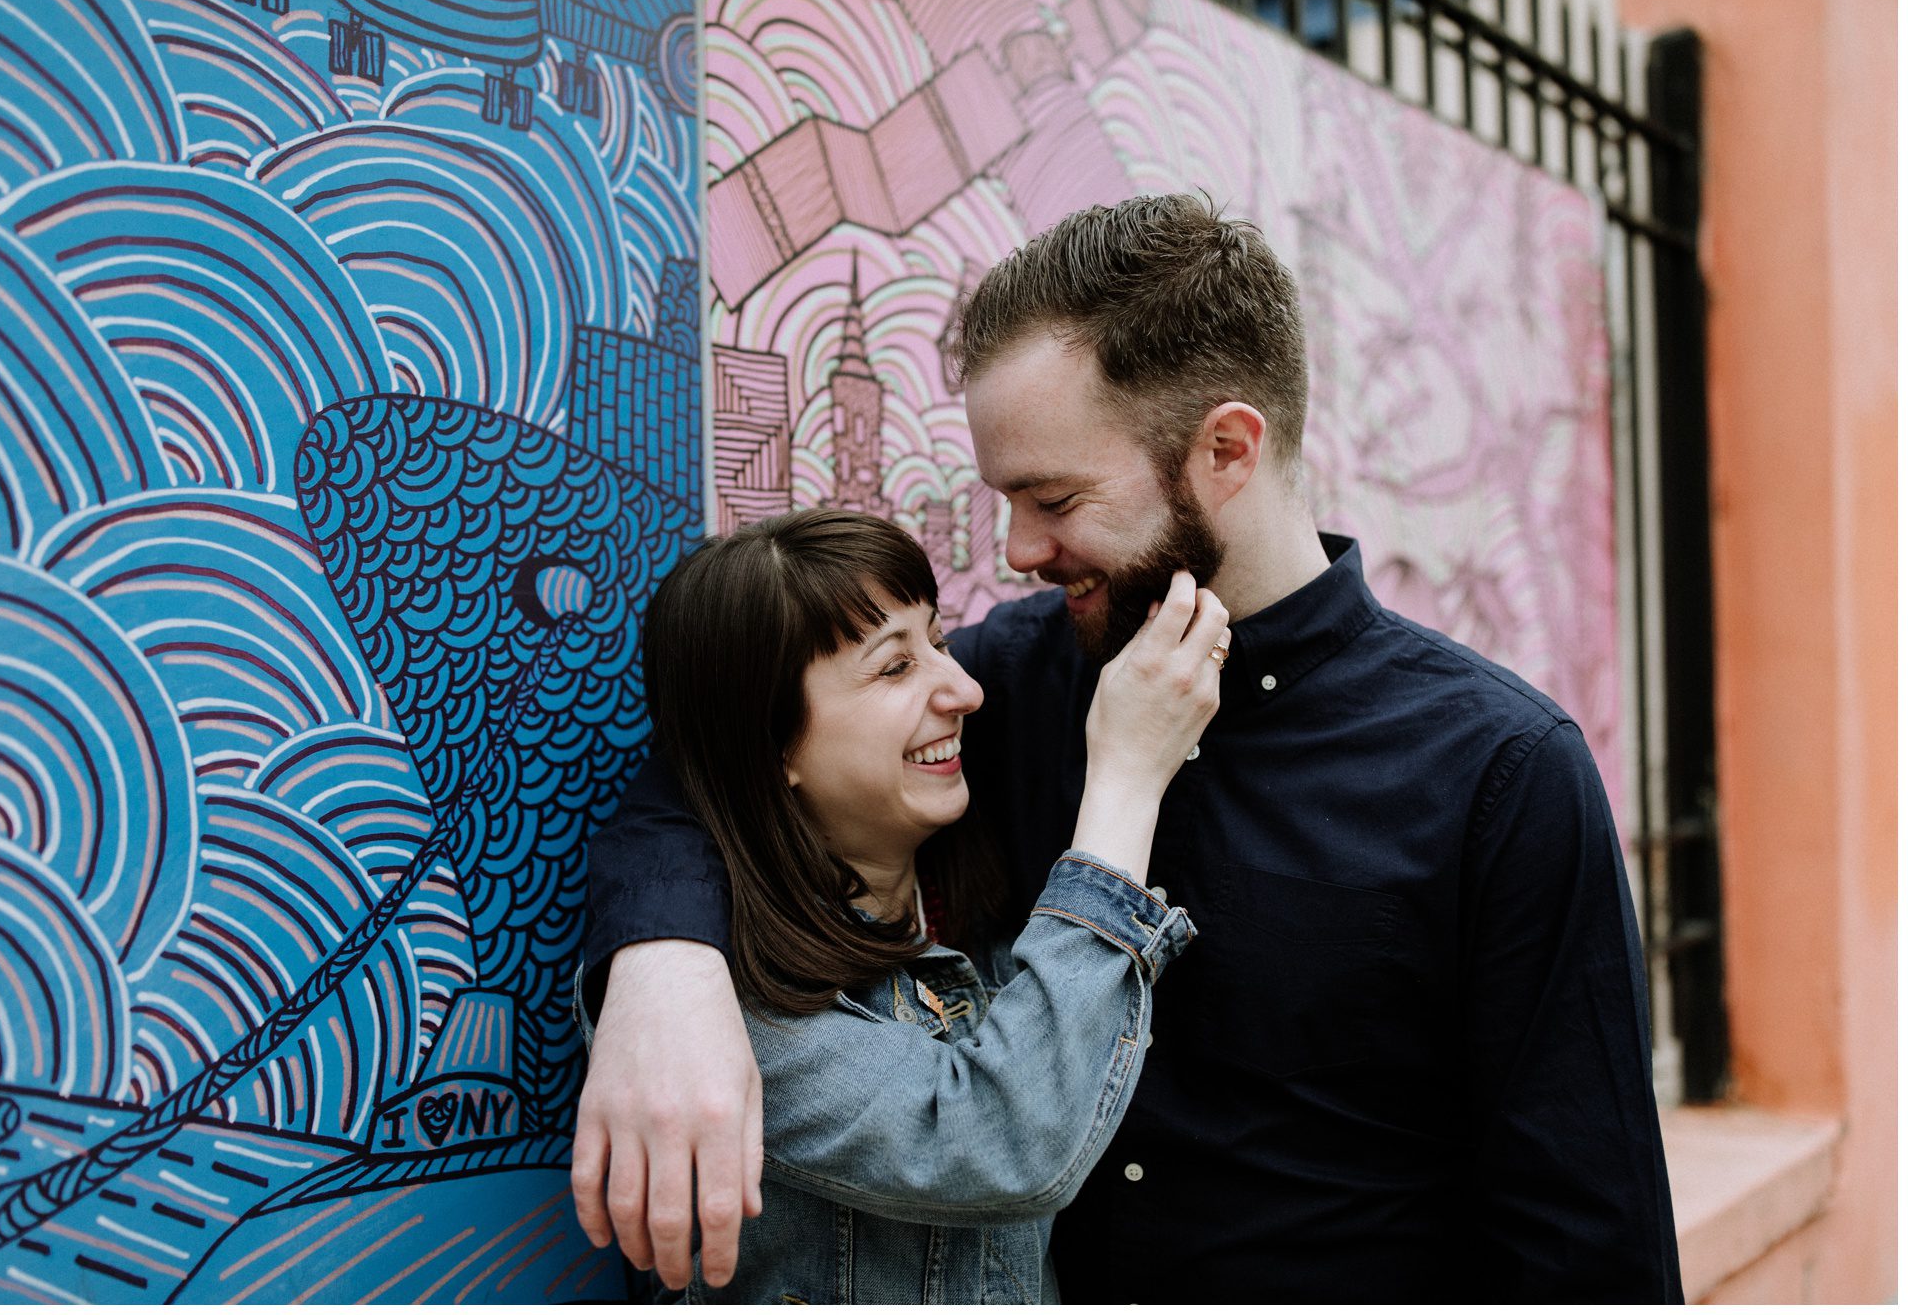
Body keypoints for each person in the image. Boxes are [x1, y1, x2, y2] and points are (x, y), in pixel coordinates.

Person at [572, 194, 1683, 1302]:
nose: (1015, 551)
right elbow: (723, 758)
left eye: (1052, 498)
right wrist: (661, 968)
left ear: (1226, 449)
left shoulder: (1497, 769)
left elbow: (1586, 1235)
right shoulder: (1005, 679)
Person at [571, 506, 1227, 1301]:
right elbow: (1001, 1142)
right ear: (775, 748)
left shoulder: (964, 894)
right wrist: (1125, 780)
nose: (965, 689)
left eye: (939, 643)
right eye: (893, 668)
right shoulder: (719, 1013)